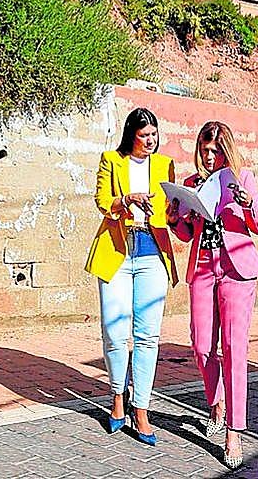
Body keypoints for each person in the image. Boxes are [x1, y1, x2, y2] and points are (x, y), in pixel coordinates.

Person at [168, 120, 258, 469]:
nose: (208, 156)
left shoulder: (243, 178)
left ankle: (234, 432)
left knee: (234, 350)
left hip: (237, 269)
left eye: (215, 150)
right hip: (204, 267)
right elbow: (186, 233)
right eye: (204, 150)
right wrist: (174, 218)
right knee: (201, 346)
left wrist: (247, 202)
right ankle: (216, 404)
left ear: (226, 150)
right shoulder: (193, 184)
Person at [84, 107, 179, 446]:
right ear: (131, 135)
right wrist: (124, 200)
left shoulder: (165, 165)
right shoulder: (111, 159)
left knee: (148, 335)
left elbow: (171, 211)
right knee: (113, 330)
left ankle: (141, 408)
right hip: (117, 249)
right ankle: (116, 397)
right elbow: (101, 200)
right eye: (143, 136)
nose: (150, 141)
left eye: (153, 134)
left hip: (152, 248)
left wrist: (173, 210)